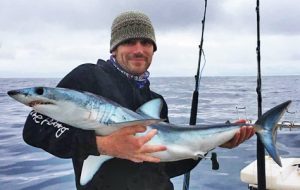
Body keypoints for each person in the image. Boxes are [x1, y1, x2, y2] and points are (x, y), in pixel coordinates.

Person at [23, 11, 255, 190]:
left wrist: (214, 143)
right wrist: (103, 146)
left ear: (153, 49)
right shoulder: (88, 77)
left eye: (145, 43)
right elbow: (35, 130)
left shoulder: (155, 101)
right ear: (114, 48)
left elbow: (165, 164)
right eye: (129, 42)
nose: (138, 50)